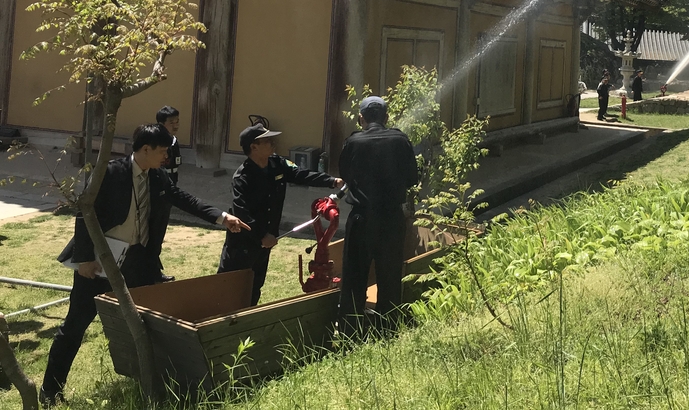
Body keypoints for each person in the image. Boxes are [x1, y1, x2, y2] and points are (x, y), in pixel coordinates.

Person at [40, 125, 248, 407]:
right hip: (102, 259)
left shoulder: (158, 177)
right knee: (76, 323)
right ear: (145, 150)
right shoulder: (111, 173)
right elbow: (84, 214)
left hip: (139, 262)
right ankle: (51, 391)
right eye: (162, 151)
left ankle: (150, 383)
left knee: (145, 325)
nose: (166, 157)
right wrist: (84, 259)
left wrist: (222, 217)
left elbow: (183, 199)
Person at [217, 123, 342, 306]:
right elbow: (241, 212)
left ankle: (249, 318)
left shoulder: (277, 164)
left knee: (256, 284)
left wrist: (331, 181)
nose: (273, 143)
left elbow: (300, 175)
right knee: (232, 285)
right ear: (254, 147)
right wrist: (262, 235)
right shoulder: (242, 178)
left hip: (266, 241)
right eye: (267, 141)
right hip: (244, 242)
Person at [337, 95, 419, 336]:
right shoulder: (400, 140)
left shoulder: (353, 142)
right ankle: (389, 329)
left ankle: (350, 331)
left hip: (362, 218)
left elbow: (345, 175)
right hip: (392, 218)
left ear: (361, 118)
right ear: (386, 117)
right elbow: (413, 178)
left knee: (354, 275)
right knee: (390, 274)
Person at [155, 105, 181, 282]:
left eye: (177, 121)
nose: (175, 125)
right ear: (161, 123)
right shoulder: (156, 141)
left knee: (160, 229)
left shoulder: (174, 141)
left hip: (170, 186)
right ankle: (153, 270)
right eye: (171, 122)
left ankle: (155, 270)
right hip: (157, 187)